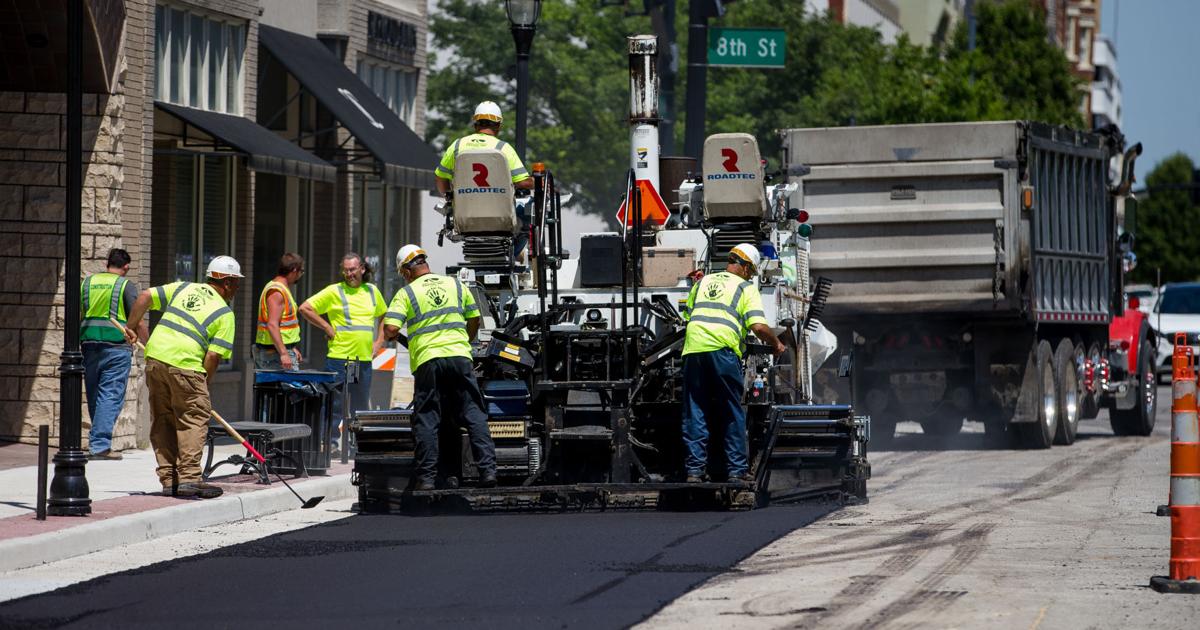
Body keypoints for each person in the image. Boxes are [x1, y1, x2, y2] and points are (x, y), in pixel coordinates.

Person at [123, 256, 242, 499]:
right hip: (187, 364)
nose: (237, 288)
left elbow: (144, 296)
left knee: (163, 420)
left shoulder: (184, 287)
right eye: (236, 283)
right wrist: (203, 385)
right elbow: (213, 357)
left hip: (155, 359)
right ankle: (189, 478)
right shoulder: (224, 313)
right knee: (193, 419)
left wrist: (130, 327)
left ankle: (169, 480)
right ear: (227, 282)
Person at [383, 245, 497, 491]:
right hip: (459, 356)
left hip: (427, 361)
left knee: (427, 418)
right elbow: (475, 318)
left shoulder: (407, 293)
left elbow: (390, 330)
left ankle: (426, 479)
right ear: (425, 262)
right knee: (473, 413)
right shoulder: (455, 285)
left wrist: (395, 334)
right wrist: (464, 340)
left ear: (405, 271)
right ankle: (487, 472)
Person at [680, 243, 785, 484]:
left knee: (695, 411)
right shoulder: (745, 288)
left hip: (693, 350)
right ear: (747, 267)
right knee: (730, 410)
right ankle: (736, 471)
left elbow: (688, 317)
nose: (751, 276)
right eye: (752, 272)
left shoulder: (702, 282)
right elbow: (757, 326)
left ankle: (694, 471)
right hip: (722, 352)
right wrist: (776, 344)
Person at [298, 253, 386, 452]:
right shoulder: (334, 291)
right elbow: (305, 308)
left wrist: (379, 341)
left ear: (362, 269)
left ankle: (358, 443)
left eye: (352, 269)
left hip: (362, 359)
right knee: (333, 403)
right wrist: (327, 327)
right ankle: (328, 442)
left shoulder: (372, 291)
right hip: (339, 358)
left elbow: (384, 315)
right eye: (345, 270)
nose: (349, 274)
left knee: (359, 404)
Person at [435, 101, 534, 260]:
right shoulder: (503, 148)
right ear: (498, 125)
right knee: (530, 212)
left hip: (465, 219)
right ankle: (511, 256)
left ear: (475, 124)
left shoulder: (457, 146)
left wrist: (450, 197)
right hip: (501, 220)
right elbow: (522, 182)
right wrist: (537, 181)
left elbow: (440, 178)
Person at [81, 248, 148, 460]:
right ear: (126, 266)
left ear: (107, 264)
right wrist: (149, 345)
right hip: (115, 346)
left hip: (88, 343)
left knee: (95, 394)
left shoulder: (87, 283)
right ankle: (100, 445)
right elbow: (138, 319)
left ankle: (97, 441)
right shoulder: (125, 285)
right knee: (110, 395)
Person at [254, 253, 304, 370]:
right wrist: (284, 353)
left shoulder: (280, 289)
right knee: (285, 388)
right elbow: (272, 324)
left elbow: (283, 325)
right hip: (274, 354)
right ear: (294, 270)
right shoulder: (277, 291)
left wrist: (291, 348)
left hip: (277, 351)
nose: (300, 275)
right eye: (301, 271)